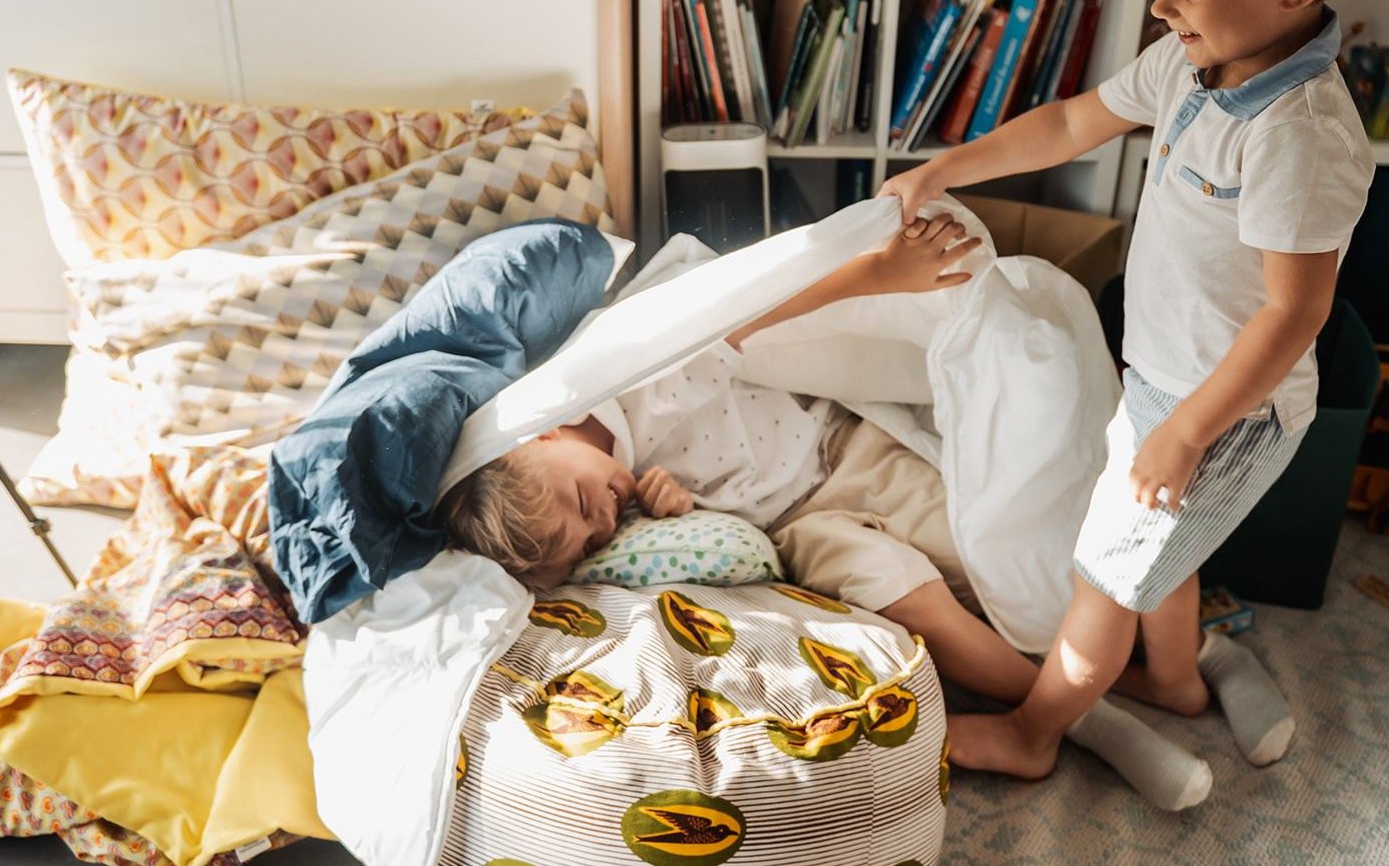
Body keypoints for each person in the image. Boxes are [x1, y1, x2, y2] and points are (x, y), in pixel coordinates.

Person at [881, 0, 1387, 782]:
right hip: (1160, 374)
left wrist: (1184, 430)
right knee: (1162, 556)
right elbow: (1074, 120)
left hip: (1224, 408)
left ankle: (1033, 732)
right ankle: (1177, 683)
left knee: (1103, 579)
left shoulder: (1297, 134)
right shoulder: (1196, 62)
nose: (1159, 5)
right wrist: (951, 163)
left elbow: (1292, 315)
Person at [437, 214, 1213, 810]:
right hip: (801, 527)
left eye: (582, 504)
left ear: (542, 433)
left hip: (850, 452)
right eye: (586, 543)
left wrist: (881, 270)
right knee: (916, 603)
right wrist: (664, 513)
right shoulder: (625, 507)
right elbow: (698, 547)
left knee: (1024, 553)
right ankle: (1075, 720)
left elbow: (749, 312)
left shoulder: (627, 377)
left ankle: (1159, 664)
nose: (601, 526)